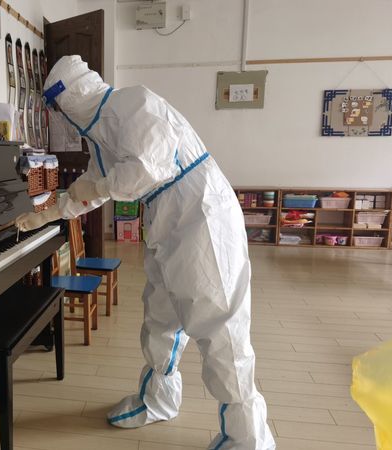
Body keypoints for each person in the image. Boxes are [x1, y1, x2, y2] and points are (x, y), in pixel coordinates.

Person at [16, 55, 276, 450]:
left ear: (69, 98)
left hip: (202, 214)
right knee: (161, 312)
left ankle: (248, 438)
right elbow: (94, 186)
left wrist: (97, 188)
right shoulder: (101, 134)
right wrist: (49, 213)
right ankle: (158, 399)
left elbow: (146, 170)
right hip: (166, 217)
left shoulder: (133, 103)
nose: (58, 118)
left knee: (219, 324)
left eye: (56, 107)